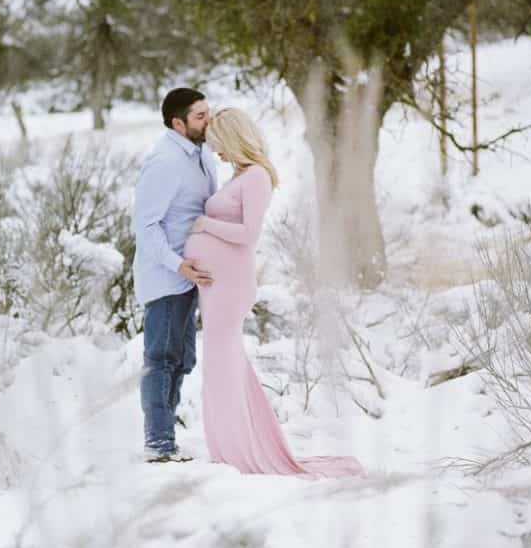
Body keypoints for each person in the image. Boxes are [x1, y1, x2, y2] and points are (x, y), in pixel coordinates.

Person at [185, 107, 366, 479]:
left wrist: (206, 225)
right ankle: (231, 444)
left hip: (232, 285)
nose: (217, 153)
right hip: (217, 286)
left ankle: (240, 451)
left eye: (220, 145)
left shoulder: (256, 178)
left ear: (235, 139)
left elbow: (248, 237)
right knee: (224, 365)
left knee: (222, 364)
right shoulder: (240, 175)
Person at [133, 87, 216, 463]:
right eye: (200, 116)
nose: (208, 121)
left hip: (191, 276)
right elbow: (145, 226)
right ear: (177, 123)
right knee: (162, 358)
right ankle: (159, 442)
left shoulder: (202, 154)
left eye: (208, 113)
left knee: (183, 360)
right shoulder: (164, 162)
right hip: (167, 276)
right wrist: (177, 264)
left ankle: (167, 430)